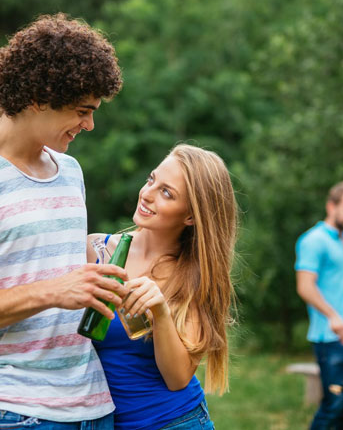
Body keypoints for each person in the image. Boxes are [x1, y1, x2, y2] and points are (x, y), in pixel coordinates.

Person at [0, 13, 131, 429]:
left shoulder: (70, 171)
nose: (90, 124)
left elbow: (54, 266)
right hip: (17, 411)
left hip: (93, 405)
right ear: (38, 97)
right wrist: (53, 291)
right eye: (83, 111)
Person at [88, 144, 237, 430]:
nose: (147, 194)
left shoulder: (193, 277)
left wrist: (160, 312)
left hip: (175, 422)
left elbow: (177, 378)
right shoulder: (96, 250)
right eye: (151, 180)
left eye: (166, 193)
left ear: (190, 217)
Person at [295, 181, 343, 429]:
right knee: (334, 404)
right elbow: (305, 286)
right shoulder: (313, 240)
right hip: (332, 336)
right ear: (331, 206)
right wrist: (333, 316)